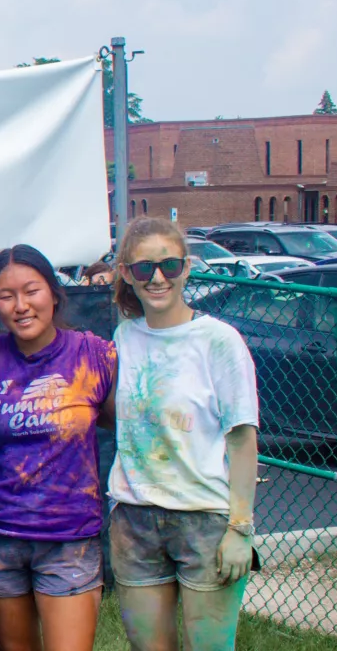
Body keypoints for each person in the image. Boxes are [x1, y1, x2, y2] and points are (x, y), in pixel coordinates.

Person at [109, 217, 258, 651]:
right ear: (126, 275)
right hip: (134, 520)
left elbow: (242, 439)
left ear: (187, 268)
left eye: (169, 266)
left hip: (205, 521)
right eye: (143, 269)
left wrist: (241, 530)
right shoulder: (125, 337)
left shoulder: (219, 341)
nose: (157, 278)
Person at [0, 244, 117, 651]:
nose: (21, 306)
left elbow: (126, 424)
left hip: (69, 539)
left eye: (31, 291)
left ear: (54, 292)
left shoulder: (94, 355)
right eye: (7, 296)